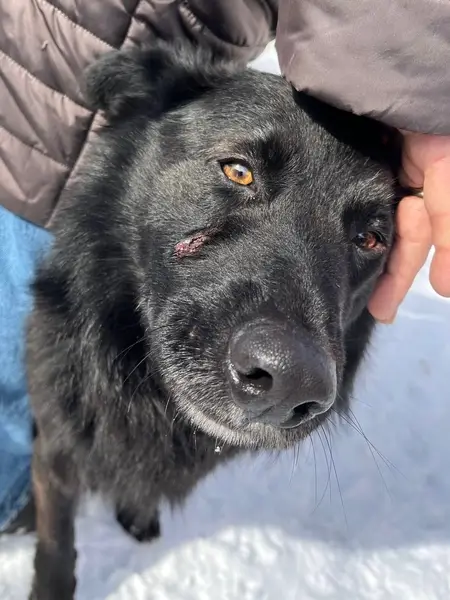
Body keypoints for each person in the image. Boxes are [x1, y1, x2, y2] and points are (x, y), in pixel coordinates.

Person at [1, 0, 449, 532]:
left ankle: (138, 496)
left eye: (367, 237)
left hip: (189, 37)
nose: (292, 374)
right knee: (29, 399)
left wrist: (408, 96)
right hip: (26, 119)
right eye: (239, 172)